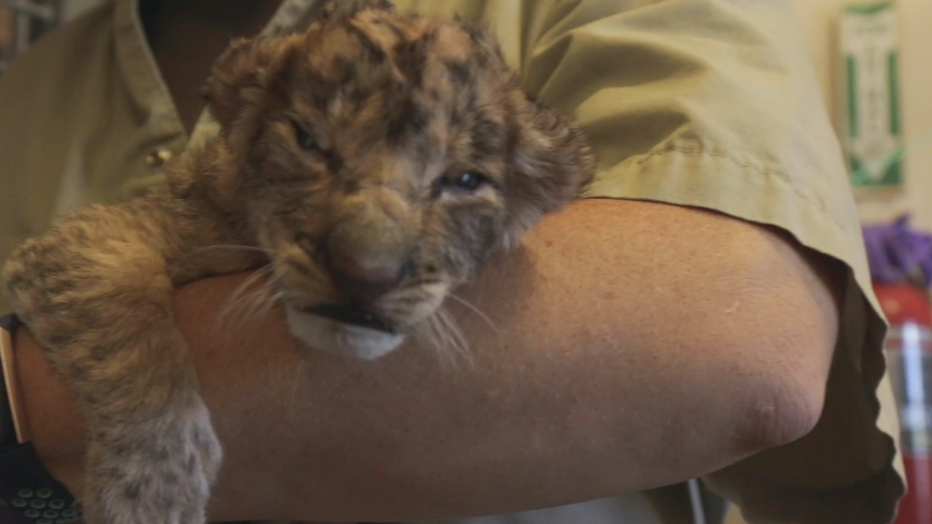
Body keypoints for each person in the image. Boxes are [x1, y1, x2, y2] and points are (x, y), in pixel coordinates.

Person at [0, 0, 905, 523]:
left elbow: (743, 342)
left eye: (465, 177)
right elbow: (86, 262)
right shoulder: (28, 82)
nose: (368, 257)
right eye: (311, 142)